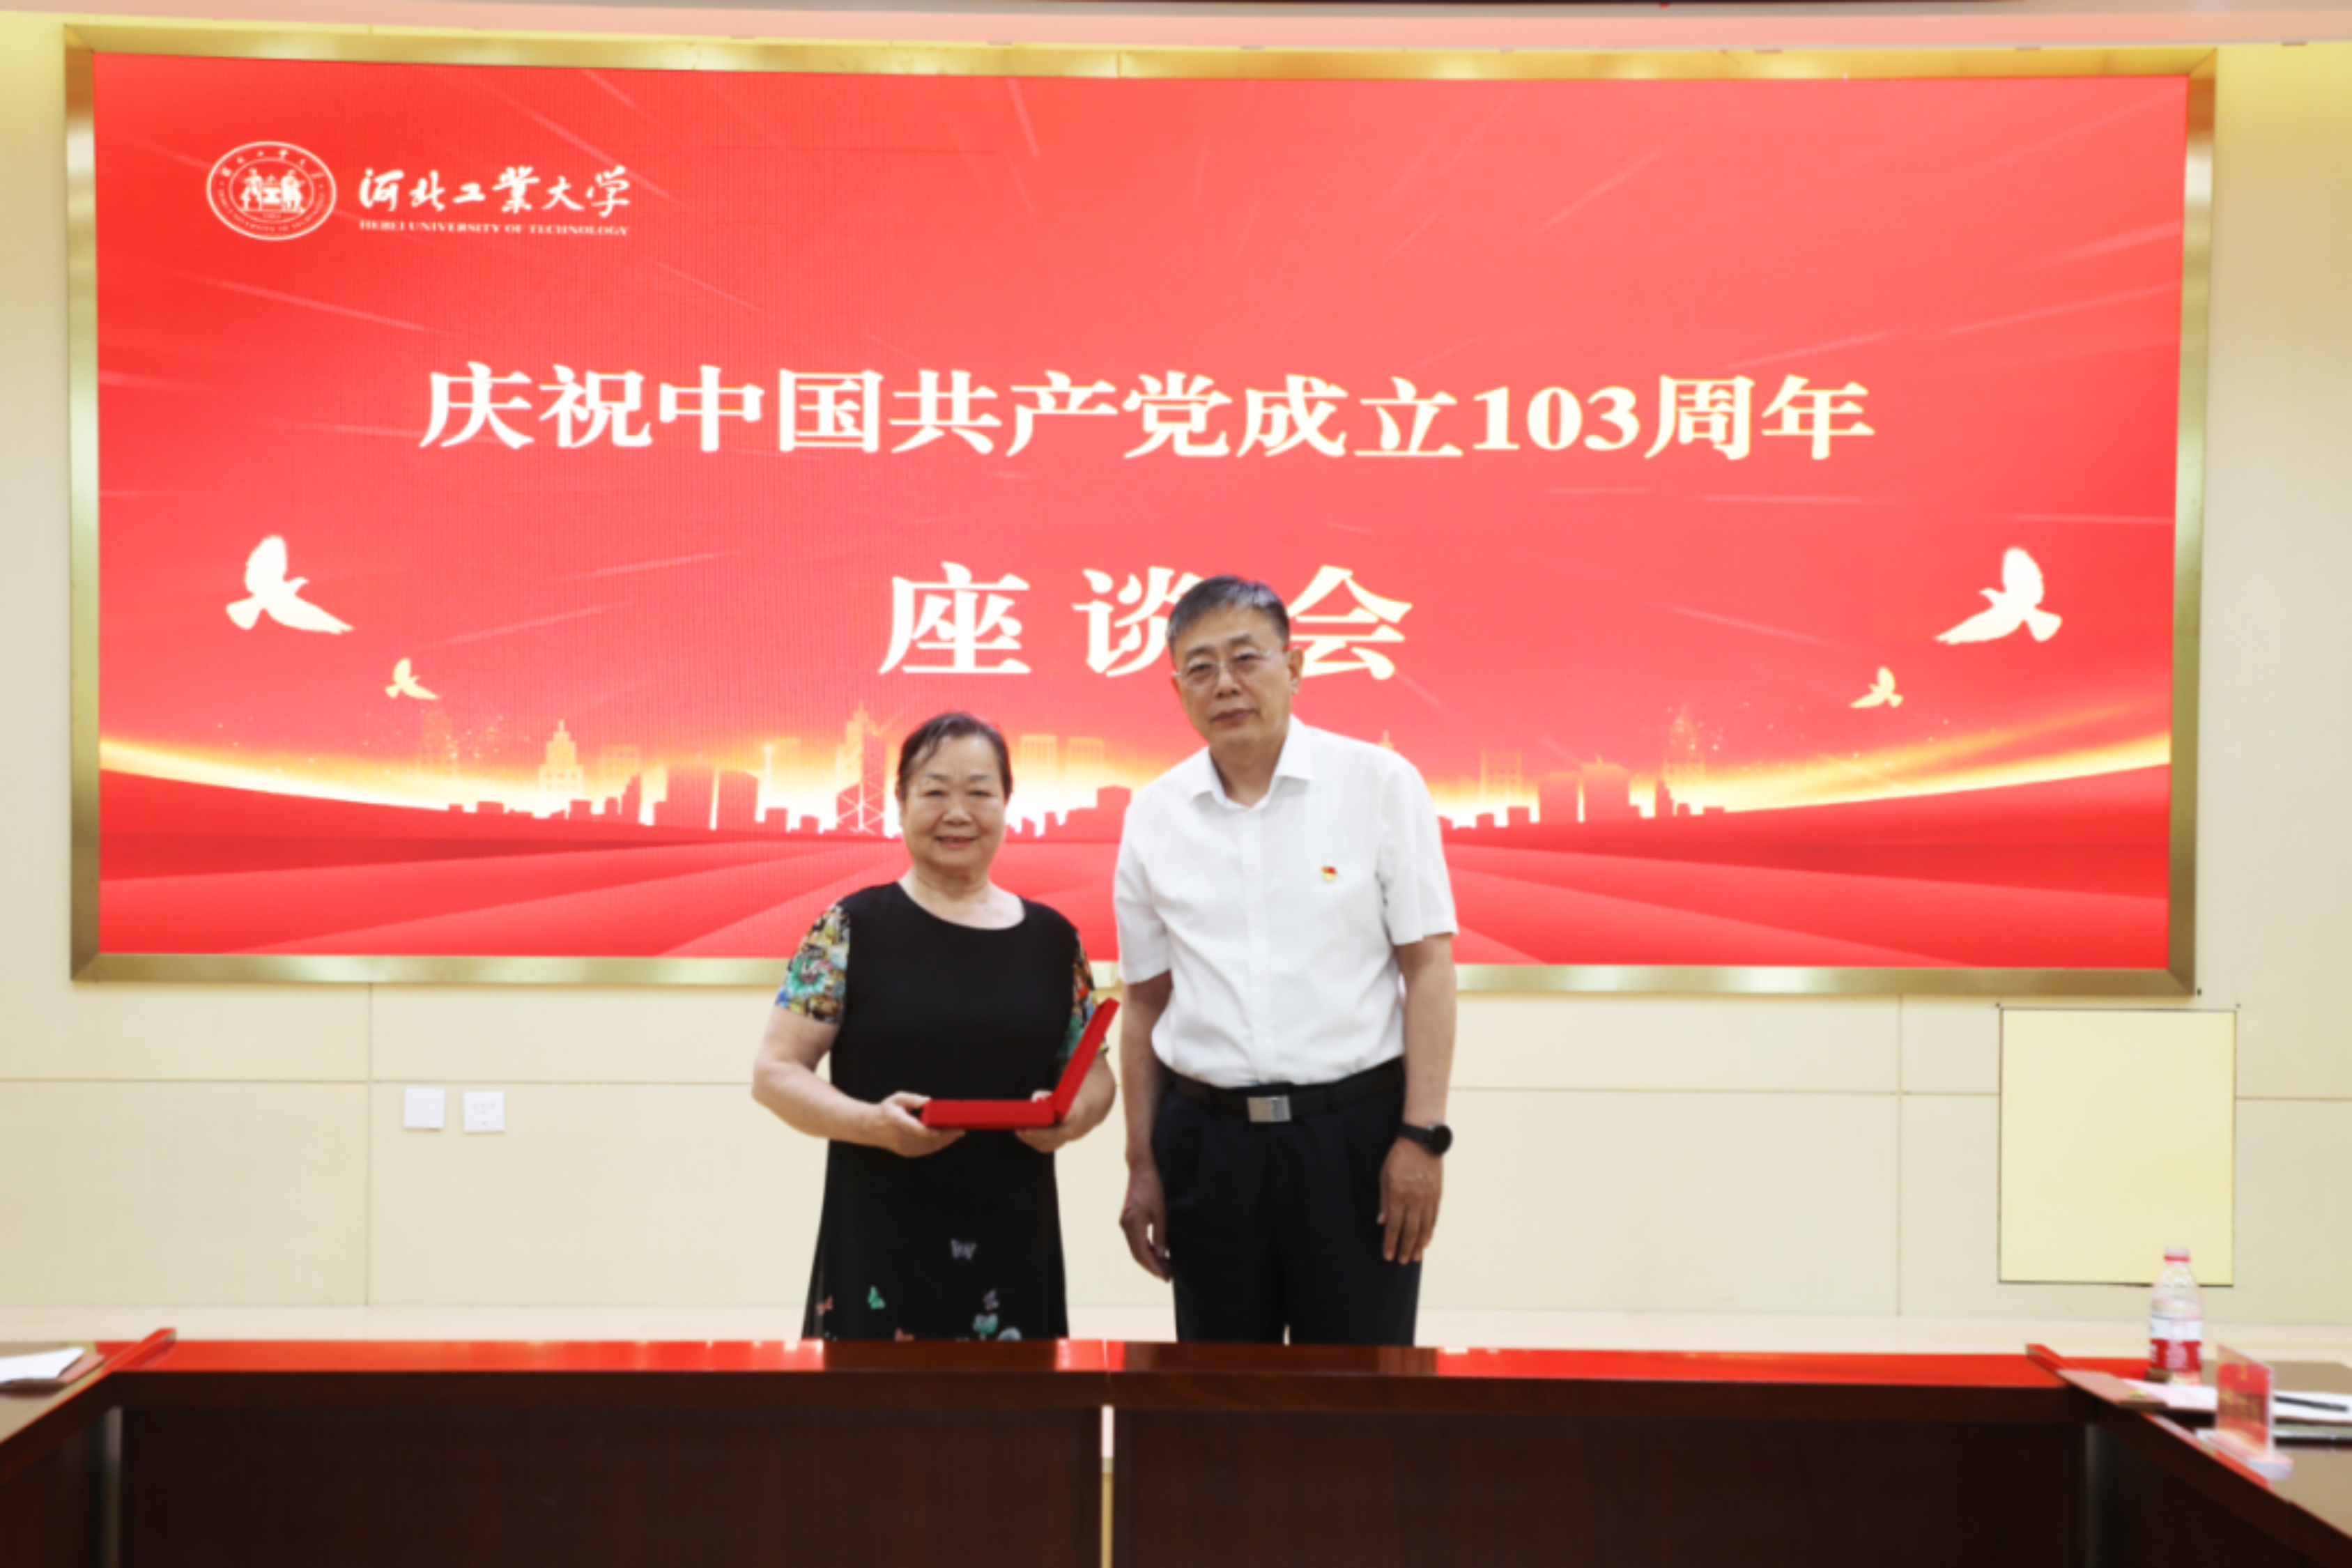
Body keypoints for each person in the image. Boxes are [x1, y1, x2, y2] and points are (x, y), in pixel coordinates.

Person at [1113, 576, 1458, 1346]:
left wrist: (1422, 1137)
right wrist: (1141, 1162)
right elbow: (1144, 1002)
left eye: (1246, 658)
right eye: (1200, 668)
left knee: (1358, 1390)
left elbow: (1428, 968)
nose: (1225, 683)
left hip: (1355, 1142)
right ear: (1177, 689)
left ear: (1294, 667)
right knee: (1222, 1396)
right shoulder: (1153, 815)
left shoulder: (1378, 784)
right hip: (1208, 1148)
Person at [753, 712, 1114, 1342]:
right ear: (899, 804)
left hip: (1013, 1226)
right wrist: (870, 1123)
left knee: (1015, 1401)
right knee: (876, 1402)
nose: (957, 813)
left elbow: (1095, 1075)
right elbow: (775, 1073)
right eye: (935, 791)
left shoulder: (1054, 940)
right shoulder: (848, 928)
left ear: (1006, 804)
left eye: (979, 792)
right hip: (881, 1225)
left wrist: (1071, 1118)